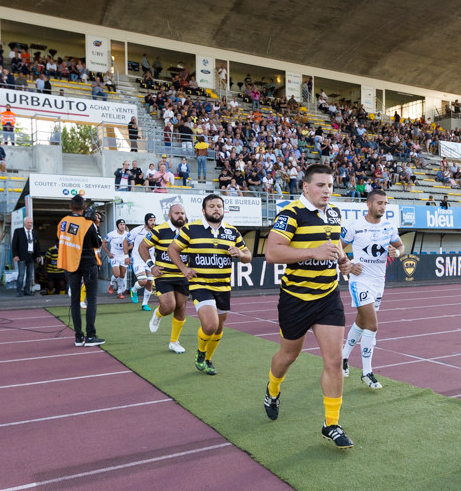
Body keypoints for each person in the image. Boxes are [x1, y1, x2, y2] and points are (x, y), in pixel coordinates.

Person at [263, 164, 354, 448]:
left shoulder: (334, 212)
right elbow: (271, 252)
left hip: (328, 297)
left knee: (334, 360)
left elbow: (336, 244)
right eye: (321, 185)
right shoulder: (291, 214)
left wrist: (343, 262)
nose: (327, 190)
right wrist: (313, 251)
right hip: (296, 299)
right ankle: (273, 389)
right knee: (289, 355)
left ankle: (332, 424)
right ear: (306, 187)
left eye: (330, 185)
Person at [168, 195, 252, 375]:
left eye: (219, 206)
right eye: (212, 206)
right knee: (210, 325)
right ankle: (201, 351)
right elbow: (172, 249)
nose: (216, 209)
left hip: (223, 287)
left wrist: (240, 253)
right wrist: (183, 269)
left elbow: (248, 256)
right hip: (201, 285)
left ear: (223, 210)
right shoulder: (191, 229)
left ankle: (208, 359)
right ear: (204, 210)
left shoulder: (232, 232)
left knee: (219, 328)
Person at [340, 189, 405, 390]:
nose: (383, 207)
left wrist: (398, 252)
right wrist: (349, 264)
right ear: (369, 204)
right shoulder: (354, 226)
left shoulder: (389, 227)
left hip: (379, 282)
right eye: (379, 203)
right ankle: (367, 372)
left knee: (361, 322)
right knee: (372, 325)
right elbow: (337, 247)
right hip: (360, 281)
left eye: (385, 203)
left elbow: (401, 247)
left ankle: (342, 357)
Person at [140, 203, 190, 353]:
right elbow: (142, 247)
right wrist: (151, 266)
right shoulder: (159, 230)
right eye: (177, 213)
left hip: (182, 276)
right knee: (169, 306)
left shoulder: (190, 231)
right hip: (164, 275)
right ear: (169, 215)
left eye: (182, 213)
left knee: (181, 308)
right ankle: (158, 313)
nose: (180, 216)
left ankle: (174, 342)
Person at [57, 195, 105, 347]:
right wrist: (95, 224)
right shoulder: (88, 223)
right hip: (88, 263)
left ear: (70, 207)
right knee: (91, 300)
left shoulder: (63, 221)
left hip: (71, 263)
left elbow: (60, 237)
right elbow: (97, 243)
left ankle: (78, 337)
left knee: (75, 300)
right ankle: (90, 336)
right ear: (84, 208)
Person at [125, 212, 157, 311]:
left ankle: (144, 304)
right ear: (146, 221)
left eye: (154, 220)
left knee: (150, 282)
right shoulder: (137, 230)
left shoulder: (156, 231)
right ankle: (133, 290)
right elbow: (125, 241)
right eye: (151, 220)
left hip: (150, 259)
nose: (153, 222)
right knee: (143, 281)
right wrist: (126, 256)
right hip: (138, 259)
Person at [11, 216, 40, 296]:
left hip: (31, 256)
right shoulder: (18, 231)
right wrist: (15, 255)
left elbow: (37, 245)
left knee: (30, 275)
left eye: (31, 223)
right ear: (24, 223)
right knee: (21, 274)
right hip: (21, 256)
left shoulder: (34, 232)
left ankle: (27, 290)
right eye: (28, 222)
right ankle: (19, 291)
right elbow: (14, 244)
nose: (30, 224)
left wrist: (38, 255)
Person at [104, 219, 130, 298]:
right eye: (121, 224)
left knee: (122, 275)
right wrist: (108, 253)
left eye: (123, 224)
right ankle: (111, 283)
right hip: (114, 256)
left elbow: (132, 244)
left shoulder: (128, 234)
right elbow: (103, 242)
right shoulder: (112, 234)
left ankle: (120, 293)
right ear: (117, 226)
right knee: (117, 274)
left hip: (124, 256)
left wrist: (127, 249)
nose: (122, 226)